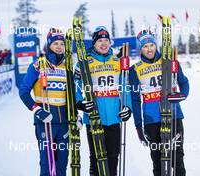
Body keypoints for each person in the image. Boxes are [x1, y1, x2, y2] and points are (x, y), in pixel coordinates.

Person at [129, 30, 189, 176]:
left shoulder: (169, 62)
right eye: (145, 46)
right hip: (152, 120)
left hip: (173, 115)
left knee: (177, 160)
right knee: (158, 161)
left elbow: (184, 82)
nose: (149, 49)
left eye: (151, 45)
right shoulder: (135, 70)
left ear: (156, 45)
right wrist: (138, 125)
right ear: (140, 48)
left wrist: (181, 95)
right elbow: (135, 100)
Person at [74, 26, 132, 176]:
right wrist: (79, 103)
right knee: (96, 157)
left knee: (113, 156)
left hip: (114, 116)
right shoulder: (85, 61)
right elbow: (75, 85)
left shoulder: (116, 61)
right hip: (94, 117)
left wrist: (127, 107)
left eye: (106, 40)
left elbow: (125, 86)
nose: (104, 43)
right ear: (94, 43)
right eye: (100, 40)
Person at [19, 28, 70, 176]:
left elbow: (72, 96)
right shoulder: (37, 66)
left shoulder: (67, 67)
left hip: (63, 123)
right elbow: (23, 91)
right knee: (47, 164)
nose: (59, 46)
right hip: (45, 123)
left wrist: (76, 116)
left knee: (62, 164)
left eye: (62, 43)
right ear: (49, 45)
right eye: (56, 43)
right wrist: (37, 110)